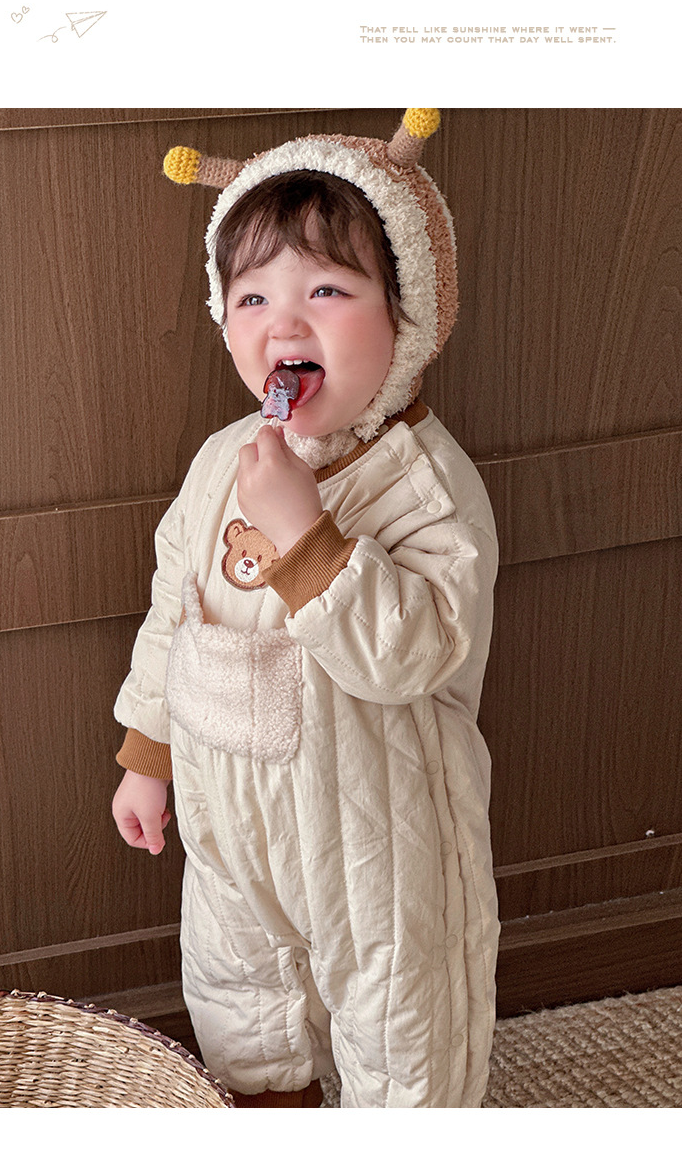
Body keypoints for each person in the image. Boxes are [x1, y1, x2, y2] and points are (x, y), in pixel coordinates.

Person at [111, 110, 500, 1108]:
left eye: (326, 289)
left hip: (379, 842)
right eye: (253, 297)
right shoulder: (220, 462)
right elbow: (173, 612)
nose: (284, 324)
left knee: (400, 1031)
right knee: (242, 1012)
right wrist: (148, 754)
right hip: (230, 830)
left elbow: (412, 656)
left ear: (408, 311)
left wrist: (305, 534)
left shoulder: (425, 488)